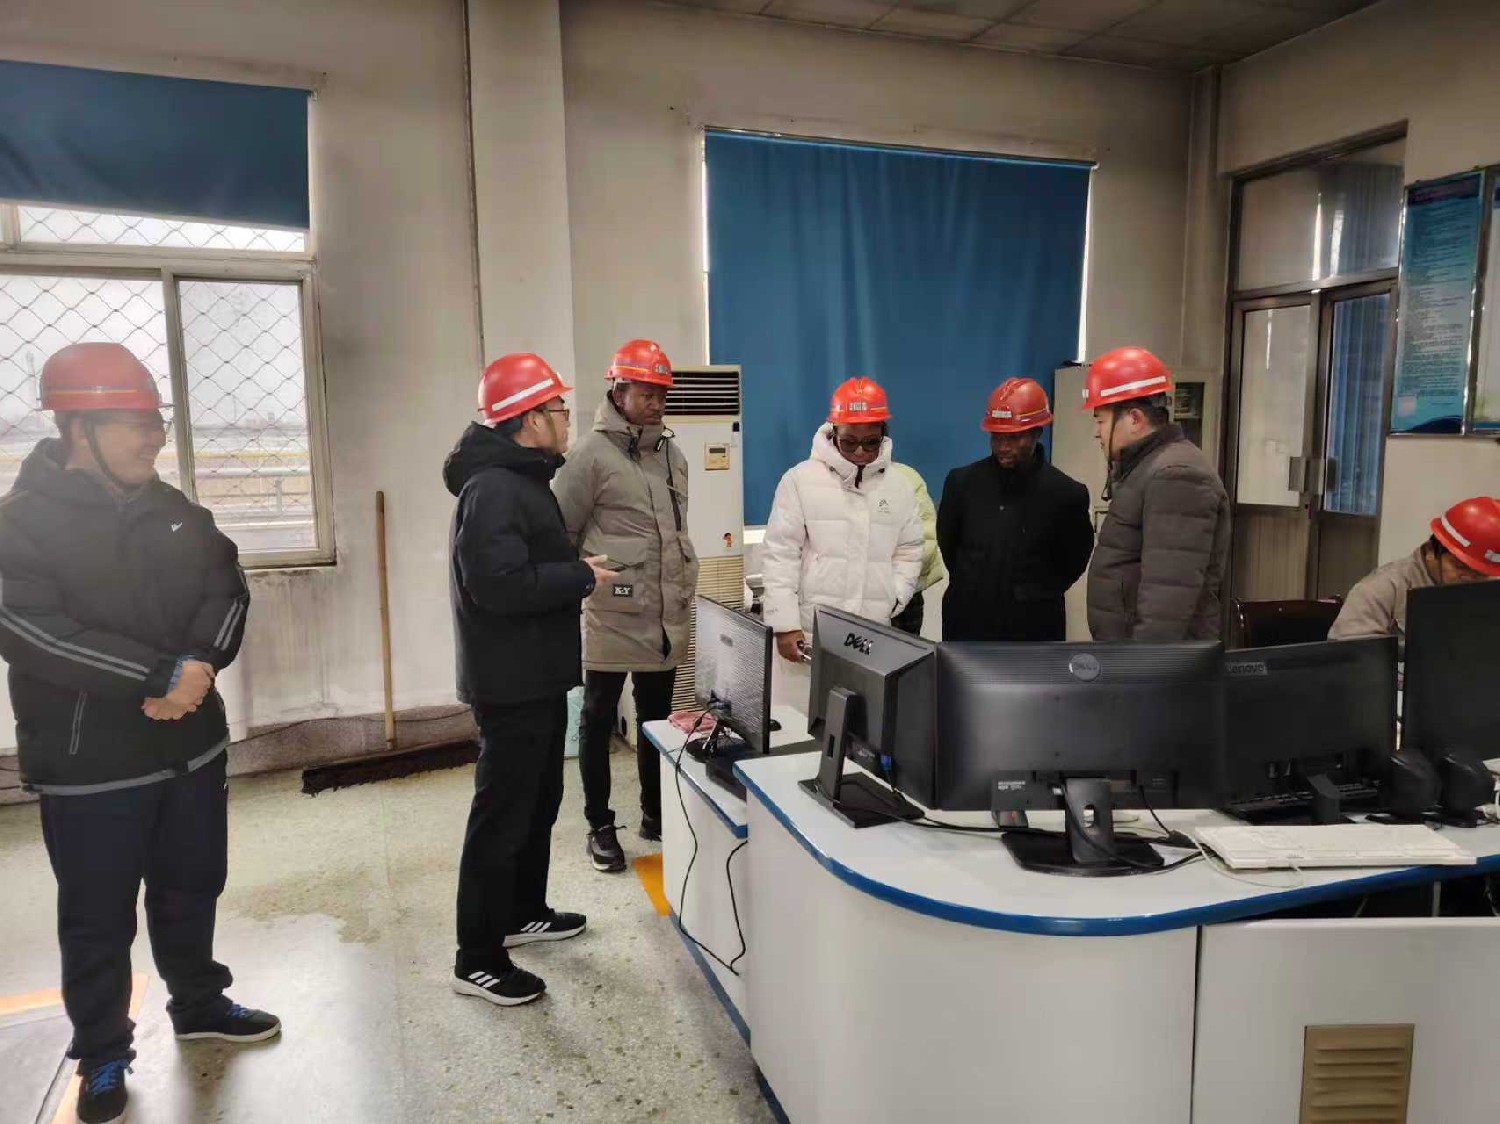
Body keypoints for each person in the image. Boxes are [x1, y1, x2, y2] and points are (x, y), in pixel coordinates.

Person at [0, 343, 274, 1124]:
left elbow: (228, 586)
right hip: (92, 762)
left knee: (192, 884)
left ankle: (199, 1002)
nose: (154, 438)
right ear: (76, 427)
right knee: (98, 915)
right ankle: (102, 1052)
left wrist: (198, 667)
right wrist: (157, 677)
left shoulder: (174, 510)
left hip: (189, 748)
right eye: (135, 424)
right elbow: (30, 631)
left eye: (158, 423)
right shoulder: (20, 524)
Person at [445, 353, 614, 1008]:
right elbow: (496, 585)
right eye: (559, 408)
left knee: (538, 802)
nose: (568, 418)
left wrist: (571, 570)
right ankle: (477, 958)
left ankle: (522, 912)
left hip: (535, 676)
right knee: (502, 816)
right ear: (528, 419)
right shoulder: (493, 488)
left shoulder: (523, 479)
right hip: (509, 683)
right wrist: (580, 576)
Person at [553, 339, 698, 873]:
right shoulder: (588, 456)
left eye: (662, 393)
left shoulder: (673, 455)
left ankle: (656, 814)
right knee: (597, 718)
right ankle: (599, 824)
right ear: (618, 390)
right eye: (645, 392)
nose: (656, 402)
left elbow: (674, 535)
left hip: (663, 613)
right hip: (612, 614)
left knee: (657, 718)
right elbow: (562, 535)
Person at [761, 377, 924, 678]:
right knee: (806, 707)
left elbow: (910, 550)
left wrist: (895, 596)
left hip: (873, 631)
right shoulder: (799, 480)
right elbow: (780, 555)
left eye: (870, 442)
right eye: (849, 442)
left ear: (883, 435)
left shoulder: (899, 487)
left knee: (865, 704)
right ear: (834, 432)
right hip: (810, 634)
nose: (860, 452)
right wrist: (784, 624)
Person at [1082, 346, 1231, 642]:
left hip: (1153, 662)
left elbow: (1168, 599)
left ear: (1135, 419)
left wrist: (1145, 664)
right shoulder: (1149, 467)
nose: (1097, 432)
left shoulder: (1176, 475)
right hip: (1130, 654)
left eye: (1100, 421)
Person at [937, 378, 1094, 641]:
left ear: (1037, 433)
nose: (1003, 447)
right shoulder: (961, 483)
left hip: (1034, 629)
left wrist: (1031, 593)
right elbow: (949, 547)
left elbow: (1072, 562)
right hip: (967, 624)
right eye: (996, 436)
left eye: (1014, 437)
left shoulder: (1066, 494)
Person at [1330, 496, 1500, 644]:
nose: (1470, 578)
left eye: (1481, 572)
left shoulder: (1491, 591)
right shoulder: (1380, 591)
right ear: (1431, 551)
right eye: (1460, 566)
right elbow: (1351, 661)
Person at [889, 462, 945, 636]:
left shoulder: (907, 478)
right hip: (842, 601)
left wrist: (896, 589)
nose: (860, 451)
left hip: (903, 597)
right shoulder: (821, 478)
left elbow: (926, 542)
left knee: (903, 654)